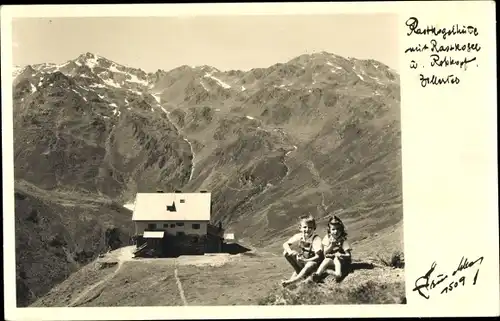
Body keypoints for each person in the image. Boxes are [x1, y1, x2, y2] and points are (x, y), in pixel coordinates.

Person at [281, 215, 323, 287]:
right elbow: (285, 244)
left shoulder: (316, 239)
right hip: (304, 260)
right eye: (305, 227)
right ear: (300, 228)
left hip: (314, 264)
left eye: (310, 228)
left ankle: (293, 281)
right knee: (286, 252)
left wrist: (306, 260)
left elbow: (318, 257)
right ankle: (299, 272)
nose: (307, 229)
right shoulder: (299, 236)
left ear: (314, 229)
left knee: (310, 264)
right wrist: (290, 252)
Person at [311, 215, 352, 282]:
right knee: (326, 260)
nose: (335, 231)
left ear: (341, 230)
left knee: (336, 259)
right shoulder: (327, 238)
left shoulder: (342, 240)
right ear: (329, 230)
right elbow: (325, 253)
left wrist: (341, 255)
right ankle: (317, 275)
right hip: (331, 261)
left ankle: (334, 273)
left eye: (338, 229)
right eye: (333, 229)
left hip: (341, 261)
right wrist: (332, 246)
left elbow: (348, 255)